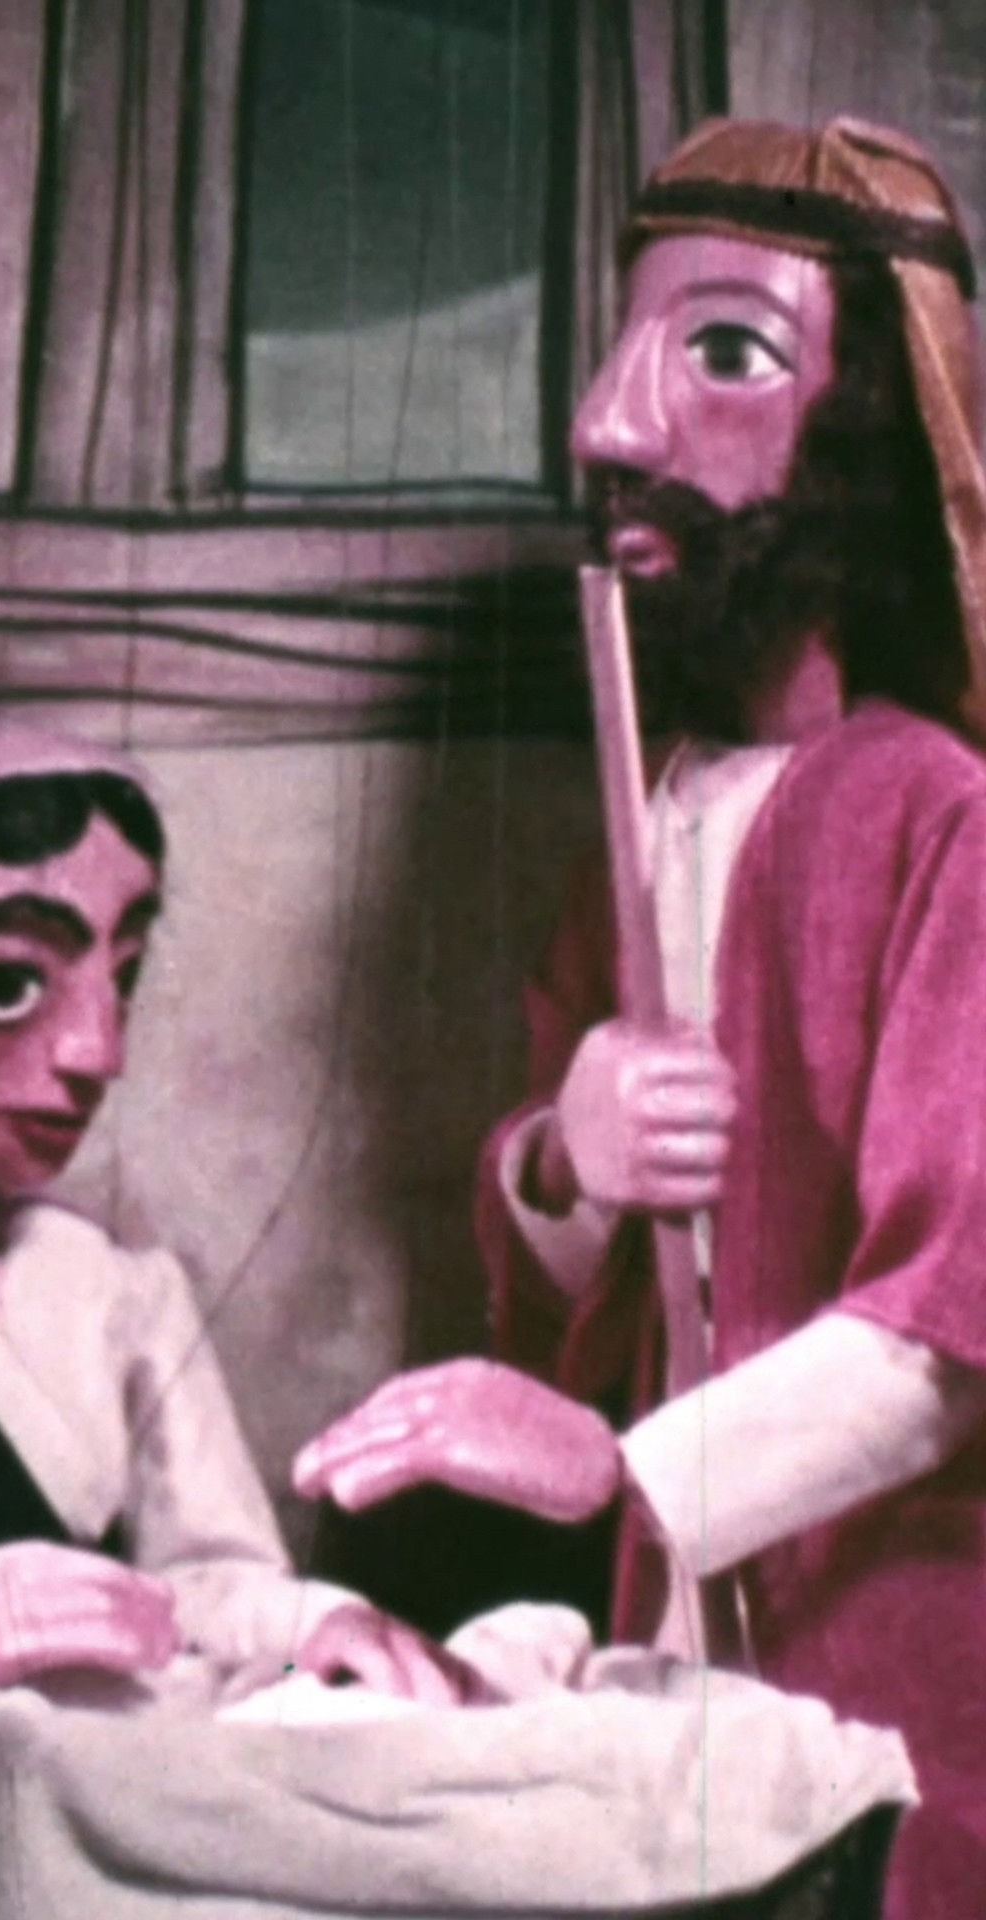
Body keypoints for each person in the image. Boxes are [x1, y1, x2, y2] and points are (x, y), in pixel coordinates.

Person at [295, 117, 986, 1917]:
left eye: (725, 354)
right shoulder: (646, 807)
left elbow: (950, 1332)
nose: (611, 424)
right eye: (622, 351)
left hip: (906, 1687)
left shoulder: (941, 819)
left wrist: (625, 1467)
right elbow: (559, 1292)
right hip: (667, 1656)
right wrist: (567, 1159)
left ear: (869, 441)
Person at [0, 715, 471, 1917]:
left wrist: (317, 1623)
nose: (97, 1052)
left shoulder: (111, 1291)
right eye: (8, 983)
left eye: (123, 976)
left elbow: (201, 1586)